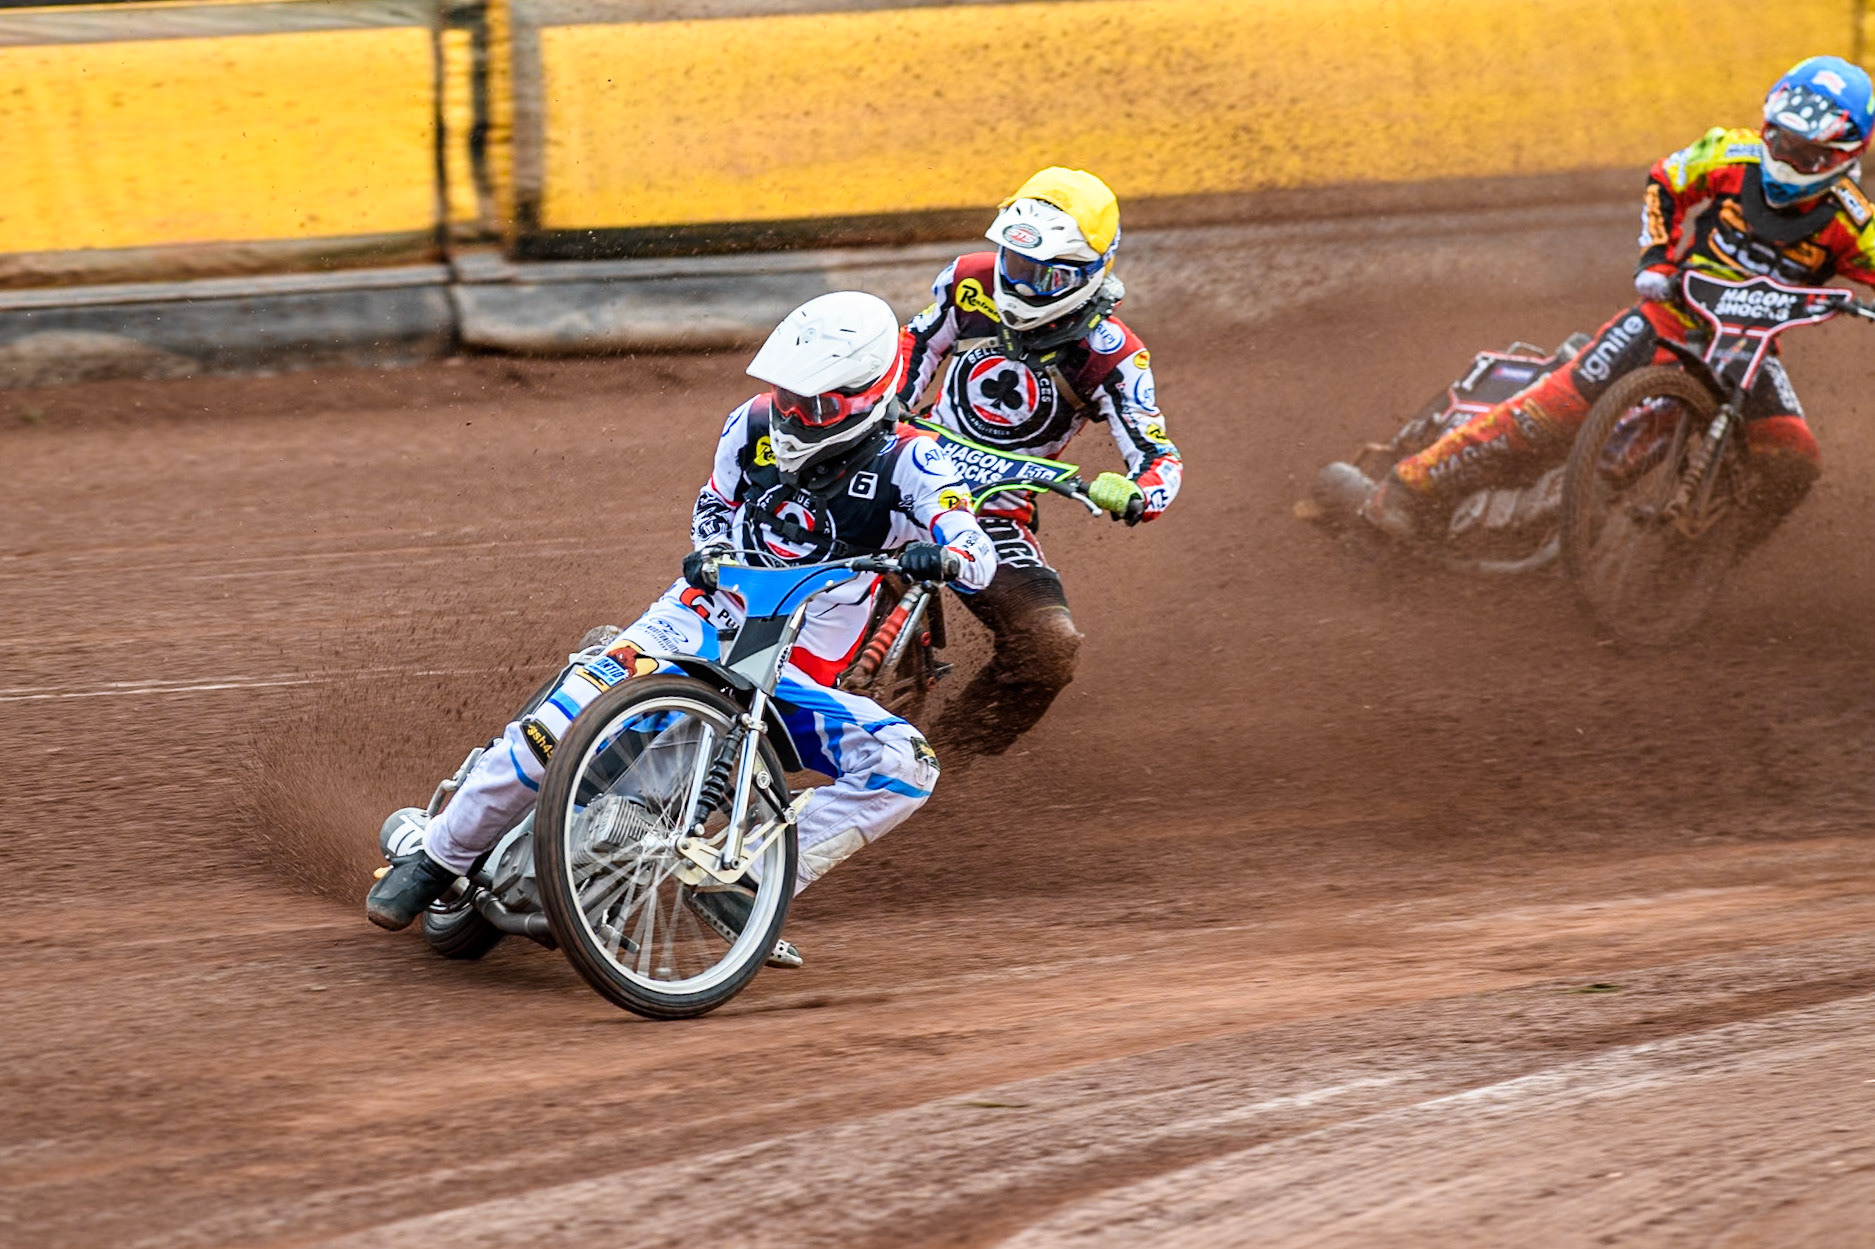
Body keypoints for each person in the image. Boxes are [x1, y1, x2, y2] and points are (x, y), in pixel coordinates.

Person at [365, 292, 998, 963]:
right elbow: (714, 505)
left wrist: (948, 554)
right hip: (699, 620)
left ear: (870, 391)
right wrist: (712, 548)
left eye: (812, 404)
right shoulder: (748, 425)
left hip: (787, 669)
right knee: (553, 731)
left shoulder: (913, 461)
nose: (790, 414)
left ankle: (753, 883)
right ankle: (437, 857)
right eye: (785, 394)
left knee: (903, 763)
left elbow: (976, 552)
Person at [1363, 55, 1875, 547]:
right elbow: (1664, 181)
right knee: (1549, 411)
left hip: (1749, 351)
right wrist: (1655, 259)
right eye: (1779, 139)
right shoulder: (1729, 154)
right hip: (1670, 315)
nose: (1784, 160)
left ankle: (1695, 560)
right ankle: (1409, 488)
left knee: (1792, 458)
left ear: (1846, 156)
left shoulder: (1855, 224)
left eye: (1805, 154)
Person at [897, 166, 1182, 755]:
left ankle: (944, 766)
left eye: (1042, 273)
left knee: (1049, 647)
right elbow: (911, 350)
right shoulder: (968, 283)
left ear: (1087, 273)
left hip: (992, 512)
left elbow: (1160, 458)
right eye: (1015, 263)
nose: (1021, 283)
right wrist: (888, 402)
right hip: (900, 469)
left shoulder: (1112, 354)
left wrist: (1138, 494)